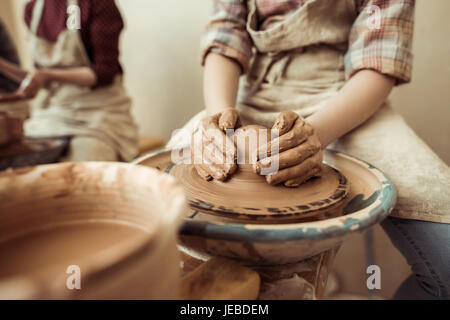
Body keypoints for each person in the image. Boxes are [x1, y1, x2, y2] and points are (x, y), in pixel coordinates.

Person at [168, 0, 450, 299]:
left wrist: (317, 135)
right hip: (253, 93)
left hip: (348, 99)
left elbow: (379, 59)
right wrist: (221, 119)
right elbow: (225, 36)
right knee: (153, 215)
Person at [0, 0, 138, 162]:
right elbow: (38, 76)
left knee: (83, 173)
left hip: (98, 113)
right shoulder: (33, 9)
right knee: (23, 165)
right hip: (53, 113)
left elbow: (105, 72)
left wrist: (48, 75)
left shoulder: (96, 4)